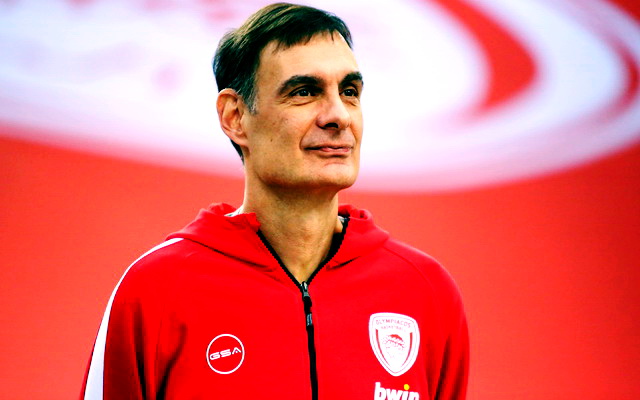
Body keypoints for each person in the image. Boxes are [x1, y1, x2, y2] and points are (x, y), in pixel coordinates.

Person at [80, 3, 468, 399]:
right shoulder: (156, 289)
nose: (339, 116)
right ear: (235, 117)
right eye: (304, 92)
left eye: (349, 92)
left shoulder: (425, 291)